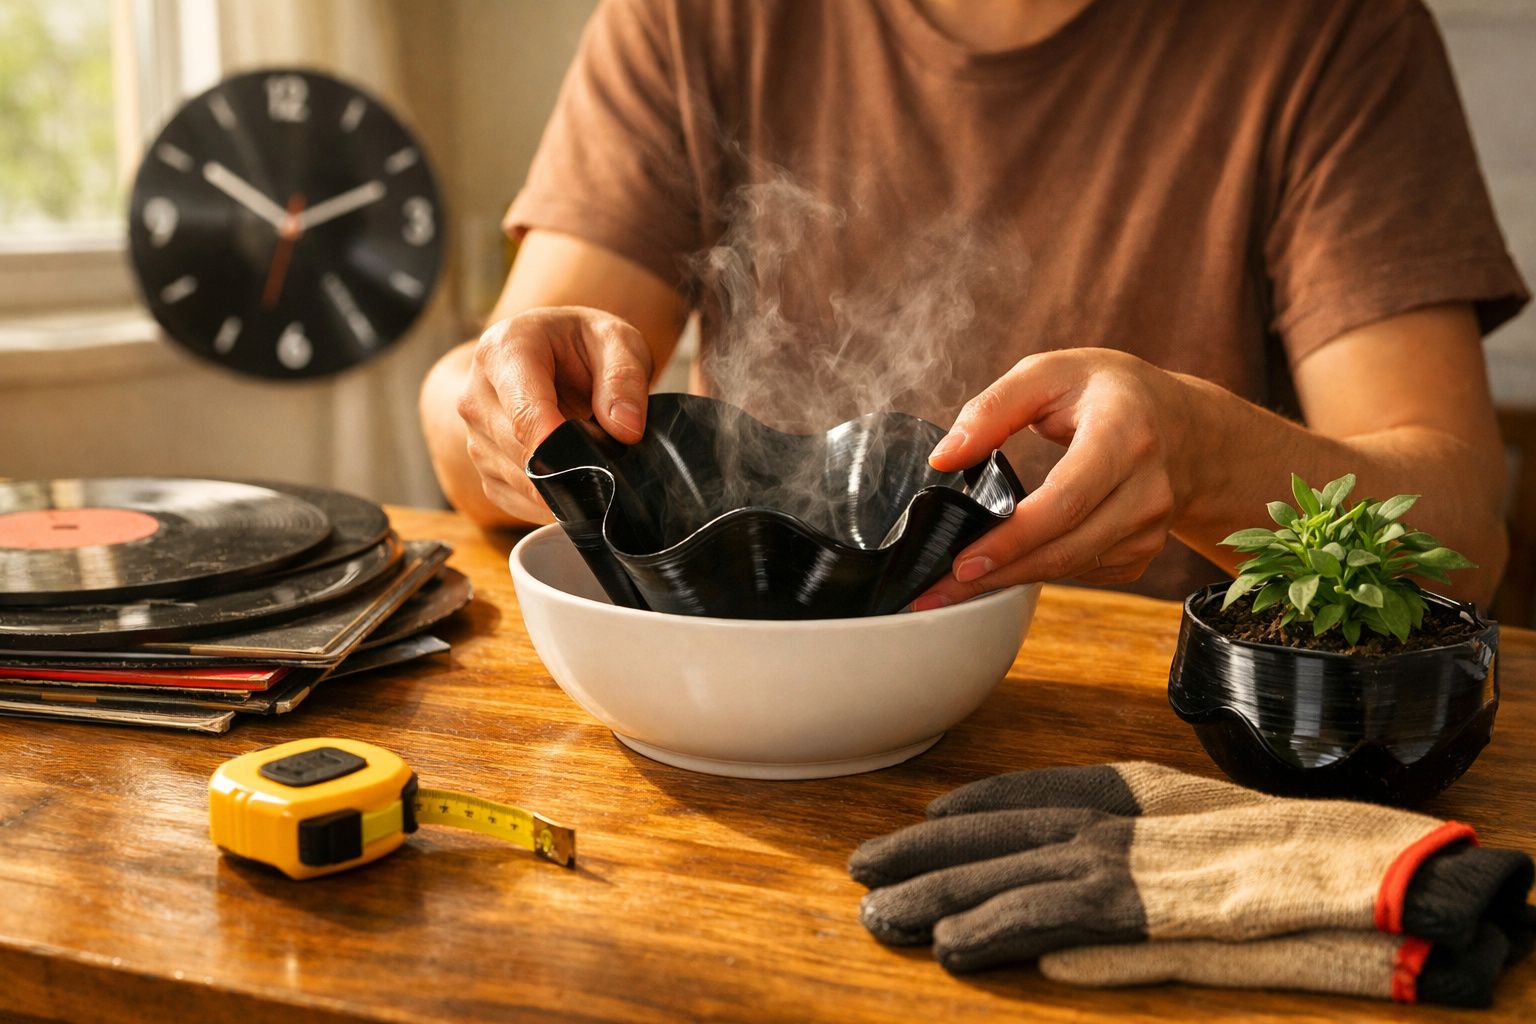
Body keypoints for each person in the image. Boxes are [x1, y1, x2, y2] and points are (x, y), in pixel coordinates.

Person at [420, 0, 1528, 607]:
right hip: (730, 713)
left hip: (1145, 747)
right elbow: (470, 414)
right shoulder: (694, 16)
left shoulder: (1333, 33)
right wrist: (498, 398)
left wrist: (1201, 451)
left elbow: (1463, 540)